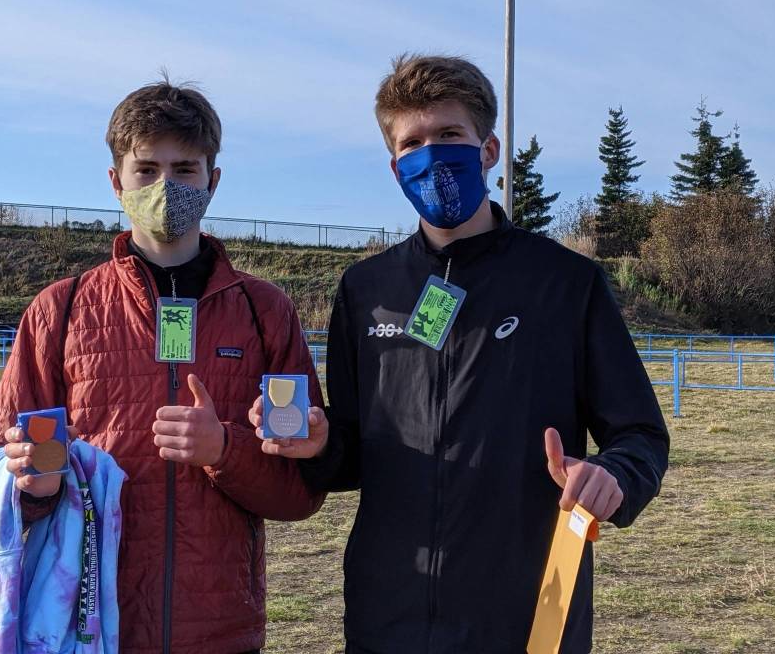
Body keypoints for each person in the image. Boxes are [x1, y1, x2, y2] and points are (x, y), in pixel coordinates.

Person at [251, 54, 670, 653]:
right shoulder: (366, 290)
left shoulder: (566, 284)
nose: (432, 155)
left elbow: (641, 435)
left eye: (449, 135)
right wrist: (317, 447)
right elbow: (349, 455)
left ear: (489, 149)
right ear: (395, 166)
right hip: (387, 610)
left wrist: (613, 475)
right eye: (412, 143)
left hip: (526, 609)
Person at [0, 78, 325, 654]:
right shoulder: (60, 310)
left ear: (213, 180)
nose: (166, 186)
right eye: (146, 170)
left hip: (219, 633)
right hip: (86, 628)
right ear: (116, 181)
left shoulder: (265, 312)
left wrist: (225, 451)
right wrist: (31, 485)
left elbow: (300, 495)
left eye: (185, 169)